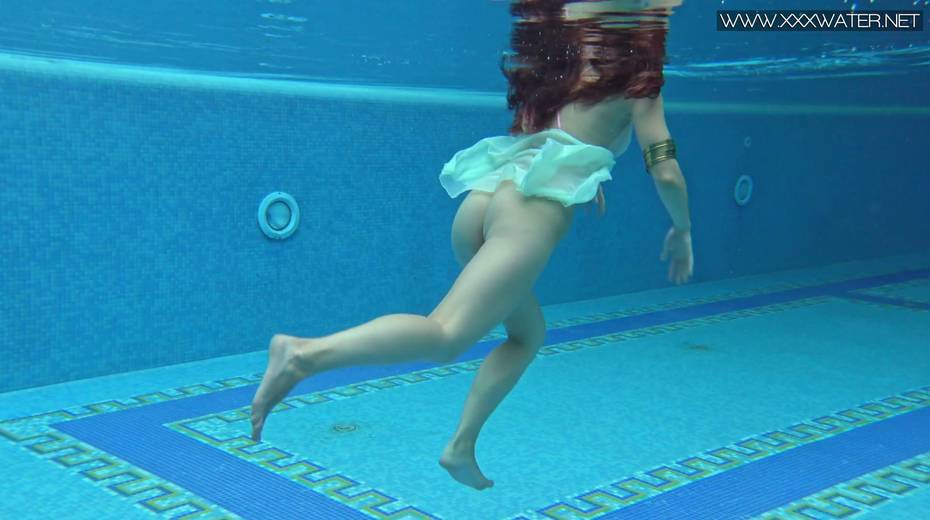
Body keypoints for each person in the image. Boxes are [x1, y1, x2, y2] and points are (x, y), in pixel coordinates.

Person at [250, 0, 692, 491]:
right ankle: (304, 354)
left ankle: (460, 447)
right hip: (525, 218)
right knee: (446, 335)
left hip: (481, 204)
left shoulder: (564, 59)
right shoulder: (640, 81)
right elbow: (666, 172)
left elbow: (559, 139)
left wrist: (589, 175)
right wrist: (683, 231)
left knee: (527, 334)